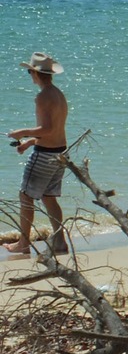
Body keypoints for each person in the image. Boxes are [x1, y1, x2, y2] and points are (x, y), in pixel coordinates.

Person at [6, 53, 69, 255]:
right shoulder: (57, 94)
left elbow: (47, 128)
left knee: (25, 195)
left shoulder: (43, 97)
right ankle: (59, 242)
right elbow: (56, 130)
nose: (29, 75)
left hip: (44, 154)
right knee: (49, 197)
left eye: (29, 72)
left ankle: (23, 244)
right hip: (59, 152)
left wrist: (21, 132)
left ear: (35, 73)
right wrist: (29, 142)